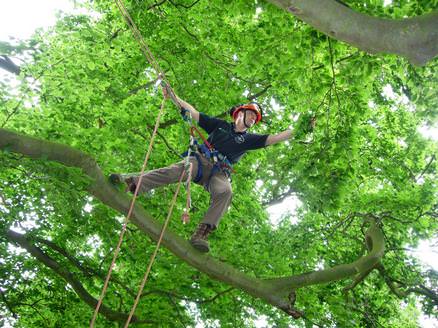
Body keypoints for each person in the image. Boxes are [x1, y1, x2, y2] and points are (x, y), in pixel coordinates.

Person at [110, 89, 296, 253]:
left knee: (225, 191)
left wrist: (300, 129)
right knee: (178, 170)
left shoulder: (249, 140)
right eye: (252, 115)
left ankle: (202, 233)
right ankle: (131, 183)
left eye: (256, 119)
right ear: (241, 112)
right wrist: (173, 97)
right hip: (200, 161)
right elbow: (193, 113)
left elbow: (277, 137)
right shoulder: (220, 125)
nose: (254, 119)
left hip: (219, 173)